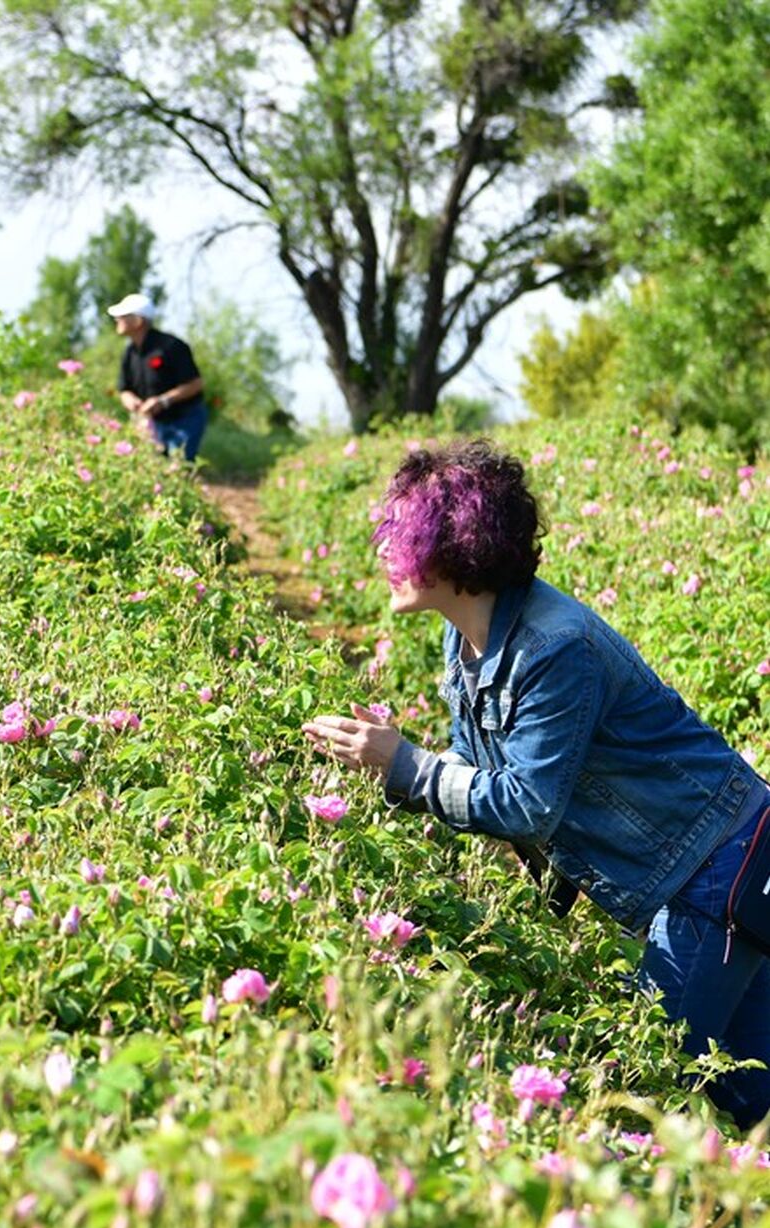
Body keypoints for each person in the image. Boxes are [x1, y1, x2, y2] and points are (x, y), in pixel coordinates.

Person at [302, 440, 770, 1125]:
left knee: (642, 1083)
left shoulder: (557, 647)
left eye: (403, 536)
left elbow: (525, 803)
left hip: (717, 873)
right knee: (745, 1086)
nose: (385, 553)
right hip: (698, 869)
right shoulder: (467, 638)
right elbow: (480, 770)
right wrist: (395, 767)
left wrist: (405, 765)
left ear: (456, 549)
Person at [109, 292, 208, 462]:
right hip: (155, 423)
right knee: (155, 468)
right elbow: (124, 389)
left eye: (122, 316)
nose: (117, 320)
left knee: (178, 466)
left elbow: (196, 384)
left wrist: (163, 401)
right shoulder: (130, 352)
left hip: (185, 419)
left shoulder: (172, 346)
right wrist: (131, 401)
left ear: (138, 321)